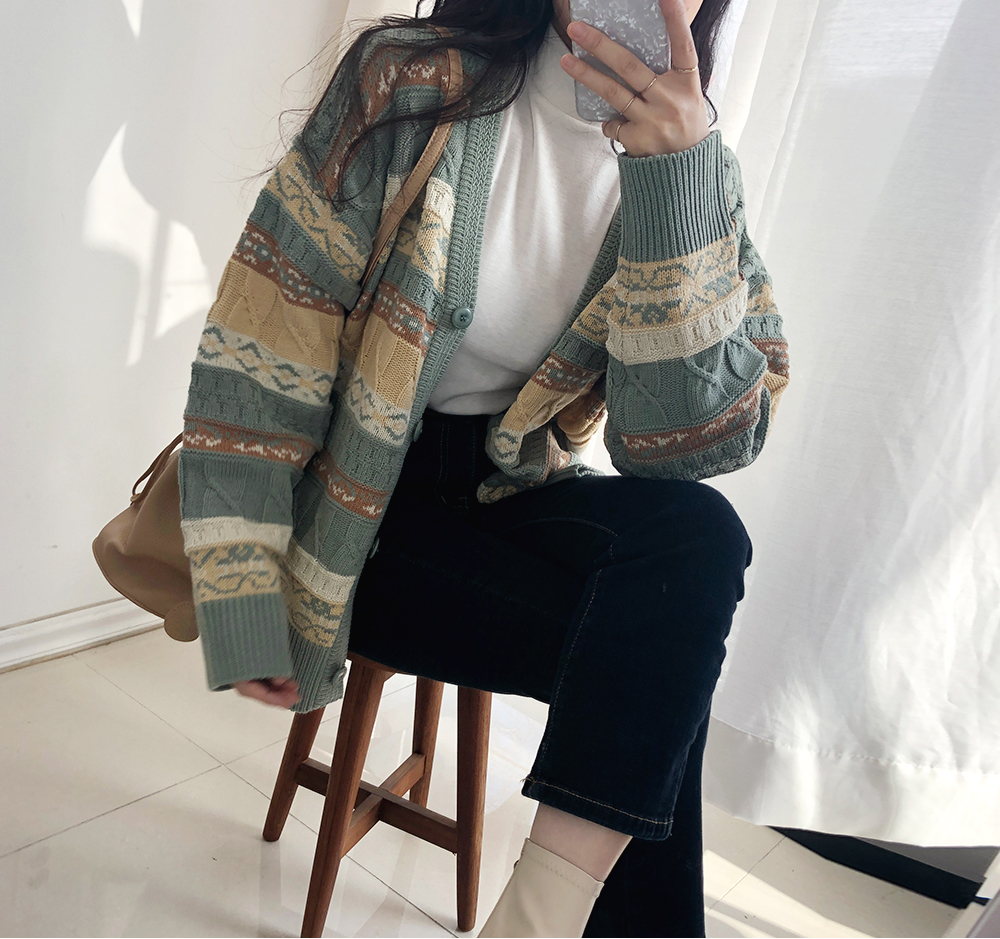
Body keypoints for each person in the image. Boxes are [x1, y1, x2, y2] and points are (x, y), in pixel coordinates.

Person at [176, 0, 789, 935]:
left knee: (696, 547)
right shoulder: (407, 77)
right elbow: (264, 337)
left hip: (507, 493)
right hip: (353, 515)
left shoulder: (699, 169)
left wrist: (678, 180)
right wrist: (243, 591)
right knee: (657, 675)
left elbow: (686, 447)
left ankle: (536, 919)